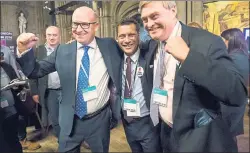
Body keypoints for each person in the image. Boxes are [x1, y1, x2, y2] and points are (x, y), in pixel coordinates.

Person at [139, 1, 247, 152]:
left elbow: (237, 93)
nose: (149, 24)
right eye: (145, 20)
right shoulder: (153, 46)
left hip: (199, 140)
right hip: (166, 135)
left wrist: (188, 57)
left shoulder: (207, 41)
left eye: (154, 16)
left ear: (173, 10)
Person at [16, 6, 122, 153]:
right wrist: (24, 50)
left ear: (96, 26)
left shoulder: (109, 45)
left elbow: (132, 52)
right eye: (75, 24)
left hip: (99, 120)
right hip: (70, 120)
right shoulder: (62, 50)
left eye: (84, 24)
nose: (78, 29)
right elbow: (35, 71)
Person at [117, 18, 161, 152]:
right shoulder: (115, 56)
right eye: (122, 36)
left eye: (131, 35)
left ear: (139, 35)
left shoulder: (148, 54)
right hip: (127, 122)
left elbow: (160, 39)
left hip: (148, 123)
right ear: (117, 38)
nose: (127, 40)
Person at [29, 26, 61, 138]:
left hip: (65, 90)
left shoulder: (65, 49)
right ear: (45, 36)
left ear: (59, 35)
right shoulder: (39, 50)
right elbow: (32, 72)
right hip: (49, 92)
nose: (52, 37)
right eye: (49, 35)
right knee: (55, 118)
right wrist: (34, 91)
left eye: (54, 35)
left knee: (70, 116)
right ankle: (61, 141)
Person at [220, 28, 249, 138]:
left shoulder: (234, 58)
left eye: (224, 40)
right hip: (235, 105)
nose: (222, 43)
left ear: (231, 40)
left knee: (226, 140)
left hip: (229, 106)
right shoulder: (241, 56)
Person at [0, 45, 22, 153]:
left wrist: (17, 85)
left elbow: (17, 84)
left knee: (13, 137)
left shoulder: (6, 67)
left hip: (11, 110)